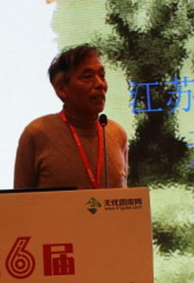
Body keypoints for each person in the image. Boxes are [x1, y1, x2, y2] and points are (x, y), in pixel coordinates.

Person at [14, 44, 128, 189]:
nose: (100, 84)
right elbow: (20, 200)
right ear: (61, 88)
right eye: (87, 77)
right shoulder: (37, 133)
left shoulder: (117, 133)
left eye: (102, 76)